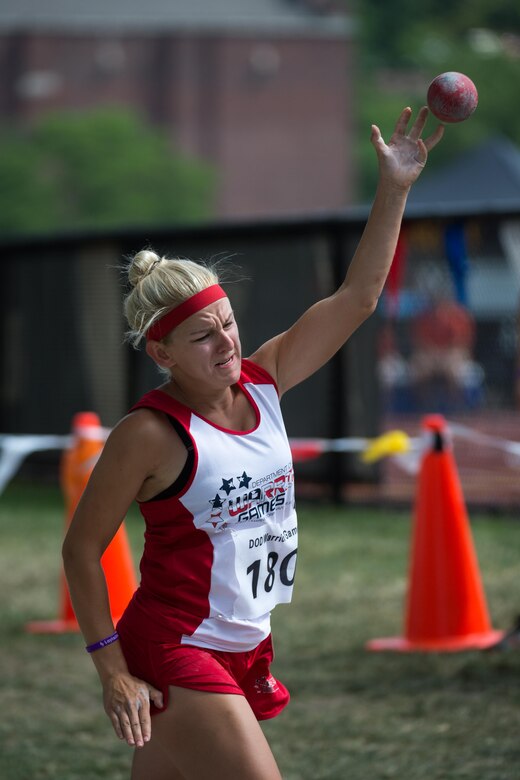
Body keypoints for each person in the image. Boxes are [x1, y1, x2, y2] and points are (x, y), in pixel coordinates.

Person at [62, 106, 443, 780]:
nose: (227, 342)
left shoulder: (265, 381)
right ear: (162, 352)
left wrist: (395, 188)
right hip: (177, 647)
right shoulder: (149, 434)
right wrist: (112, 671)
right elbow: (82, 550)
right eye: (203, 335)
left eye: (228, 324)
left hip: (246, 642)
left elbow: (357, 298)